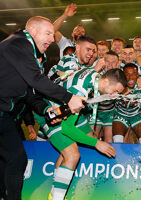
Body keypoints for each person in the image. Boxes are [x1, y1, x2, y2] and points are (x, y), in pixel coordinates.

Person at [0, 16, 85, 200]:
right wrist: (69, 98)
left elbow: (29, 92)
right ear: (33, 31)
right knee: (16, 159)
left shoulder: (30, 51)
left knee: (8, 160)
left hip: (6, 114)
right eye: (48, 33)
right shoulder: (19, 44)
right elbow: (36, 81)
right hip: (3, 113)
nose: (52, 39)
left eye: (53, 35)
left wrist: (45, 109)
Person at [36, 68, 126, 200]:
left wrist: (94, 140)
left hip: (66, 110)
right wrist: (97, 143)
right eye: (115, 91)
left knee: (89, 136)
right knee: (72, 154)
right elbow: (68, 129)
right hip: (50, 112)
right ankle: (57, 197)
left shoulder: (95, 76)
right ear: (106, 81)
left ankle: (55, 192)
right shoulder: (79, 91)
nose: (114, 95)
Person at [112, 63, 141, 144]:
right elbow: (108, 101)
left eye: (133, 74)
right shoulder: (118, 86)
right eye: (127, 74)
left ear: (138, 76)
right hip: (121, 115)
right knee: (117, 139)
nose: (130, 77)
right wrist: (120, 94)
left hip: (137, 116)